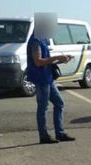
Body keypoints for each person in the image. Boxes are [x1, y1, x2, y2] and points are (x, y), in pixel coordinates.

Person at [26, 13, 76, 144]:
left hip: (47, 77)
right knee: (43, 107)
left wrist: (61, 59)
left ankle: (60, 133)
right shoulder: (35, 41)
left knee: (59, 103)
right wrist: (57, 58)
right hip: (41, 78)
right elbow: (38, 61)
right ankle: (44, 136)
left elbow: (45, 60)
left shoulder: (42, 39)